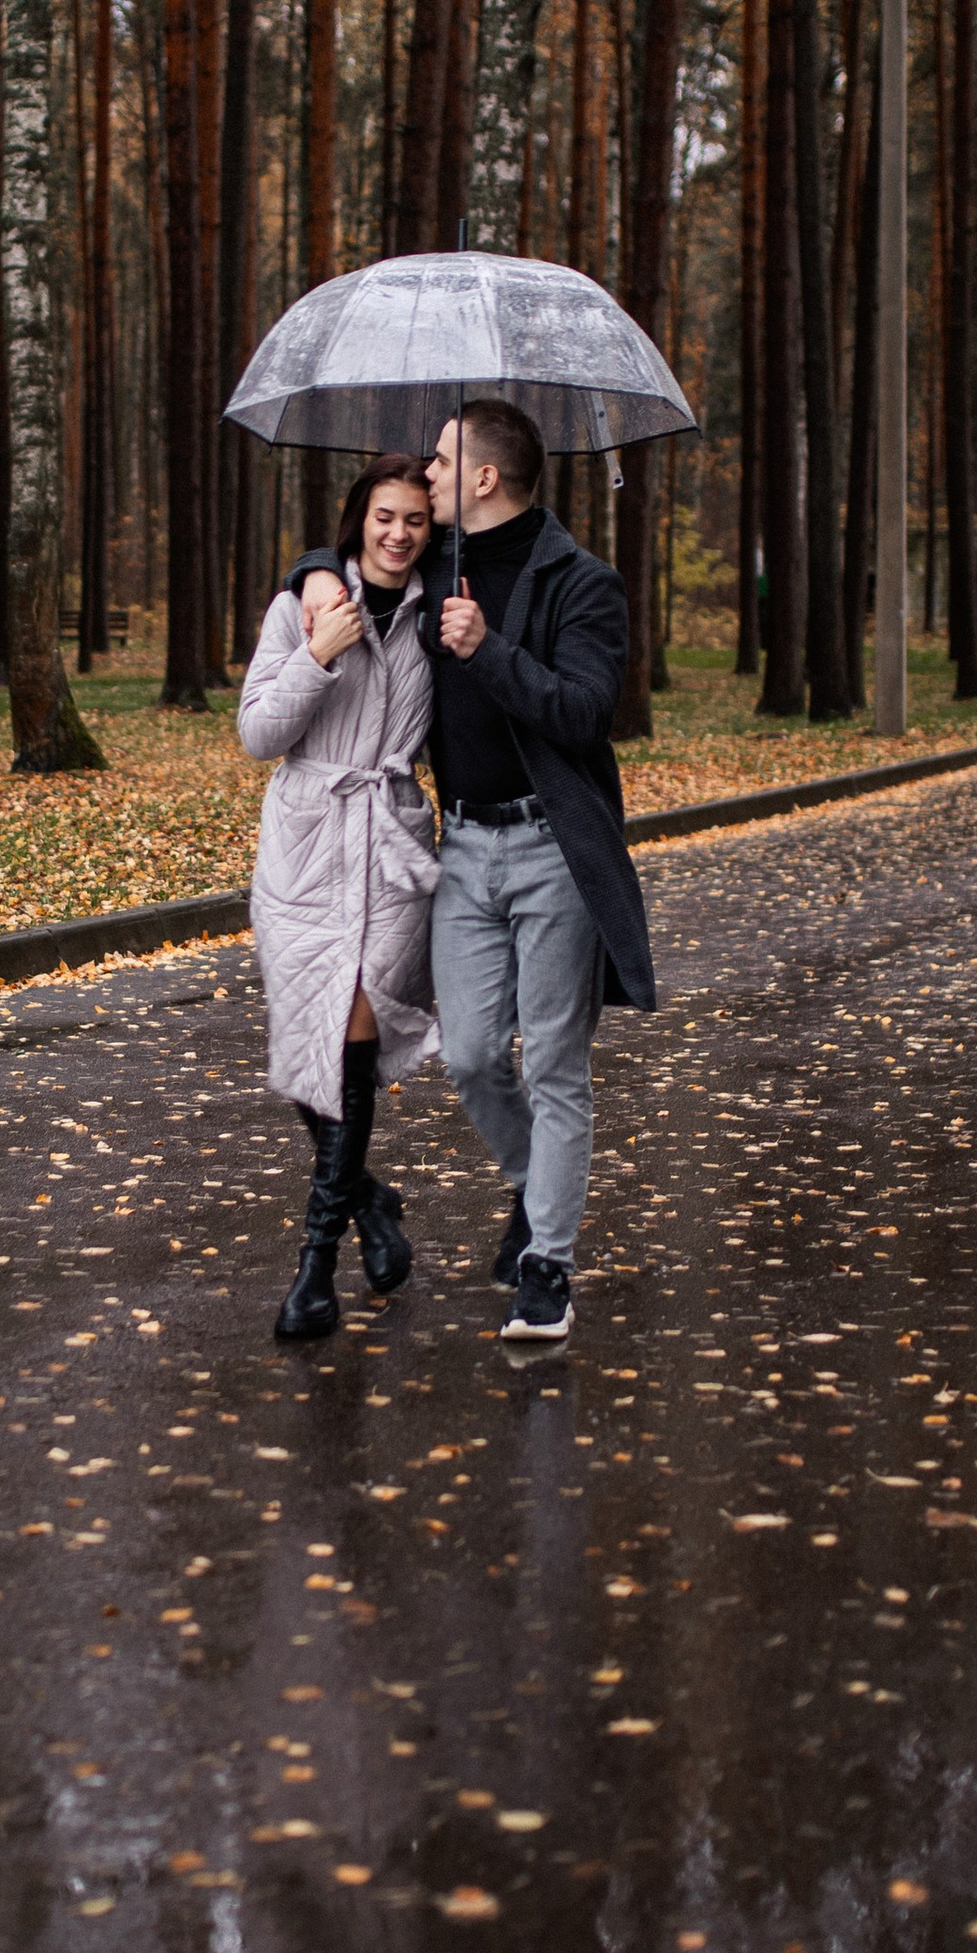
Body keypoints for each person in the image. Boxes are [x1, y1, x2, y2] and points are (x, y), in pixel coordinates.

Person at [293, 399, 653, 1345]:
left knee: (557, 1064)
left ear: (484, 477)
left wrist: (485, 651)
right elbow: (358, 565)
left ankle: (548, 1267)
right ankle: (537, 1190)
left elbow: (584, 714)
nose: (428, 478)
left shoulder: (583, 584)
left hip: (553, 852)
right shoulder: (436, 572)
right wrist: (313, 573)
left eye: (444, 464)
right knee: (474, 1055)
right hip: (465, 850)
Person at [237, 455, 443, 1342]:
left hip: (391, 849)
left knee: (350, 1037)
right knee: (304, 1036)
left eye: (417, 521)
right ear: (359, 520)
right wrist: (316, 657)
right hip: (306, 843)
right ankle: (370, 1203)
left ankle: (315, 1264)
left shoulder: (444, 615)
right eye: (385, 517)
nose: (398, 534)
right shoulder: (305, 607)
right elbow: (257, 735)